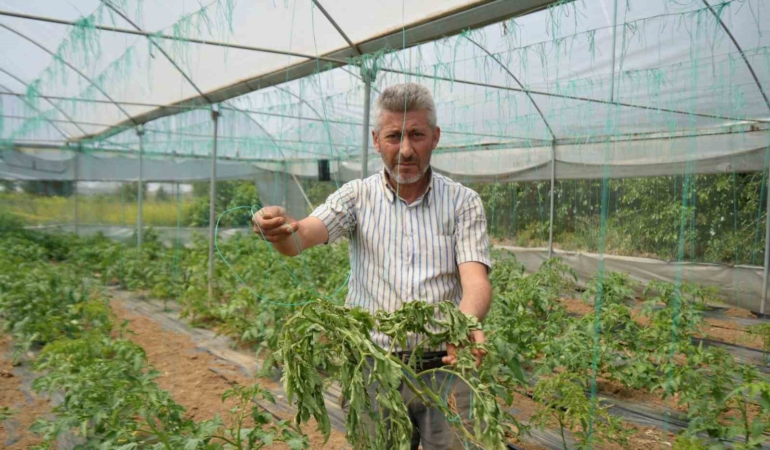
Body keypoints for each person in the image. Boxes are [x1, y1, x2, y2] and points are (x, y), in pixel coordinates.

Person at [252, 83, 492, 450]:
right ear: (377, 140)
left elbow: (475, 281)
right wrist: (278, 227)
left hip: (446, 365)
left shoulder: (463, 202)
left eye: (417, 135)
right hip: (373, 367)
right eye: (395, 136)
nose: (406, 150)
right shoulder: (355, 197)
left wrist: (466, 322)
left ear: (436, 137)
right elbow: (300, 238)